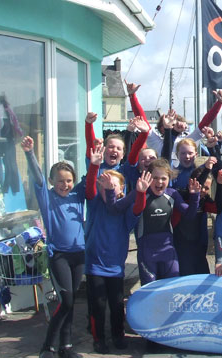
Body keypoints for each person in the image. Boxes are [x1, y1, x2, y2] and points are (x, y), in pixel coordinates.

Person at [21, 136, 86, 358]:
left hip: (79, 255)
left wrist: (95, 158)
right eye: (60, 181)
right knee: (65, 300)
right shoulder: (47, 198)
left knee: (71, 302)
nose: (65, 185)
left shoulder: (78, 195)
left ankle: (65, 346)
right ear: (51, 181)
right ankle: (47, 347)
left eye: (69, 180)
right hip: (58, 256)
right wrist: (30, 154)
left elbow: (95, 171)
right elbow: (37, 178)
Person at [84, 148, 136, 354]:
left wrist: (139, 191)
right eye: (104, 186)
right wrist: (94, 166)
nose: (108, 190)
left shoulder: (124, 211)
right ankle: (99, 339)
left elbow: (137, 206)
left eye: (112, 187)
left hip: (115, 266)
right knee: (97, 305)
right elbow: (89, 187)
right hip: (94, 264)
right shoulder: (95, 204)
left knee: (116, 305)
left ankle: (118, 335)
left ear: (121, 190)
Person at [117, 159, 201, 286]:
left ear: (169, 179)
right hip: (146, 253)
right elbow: (117, 208)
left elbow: (189, 214)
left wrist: (195, 196)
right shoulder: (139, 193)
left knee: (172, 287)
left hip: (168, 250)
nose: (159, 182)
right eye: (155, 178)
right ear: (148, 178)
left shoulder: (172, 194)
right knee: (149, 290)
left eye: (163, 178)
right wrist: (114, 193)